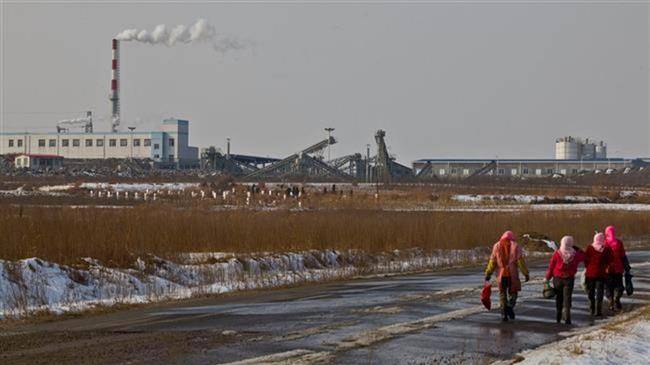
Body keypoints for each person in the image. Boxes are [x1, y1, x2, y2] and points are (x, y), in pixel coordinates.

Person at [485, 231, 530, 322]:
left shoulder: (496, 246)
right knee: (513, 293)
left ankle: (503, 313)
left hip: (501, 276)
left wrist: (488, 273)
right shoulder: (516, 246)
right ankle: (510, 306)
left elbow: (492, 262)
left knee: (502, 294)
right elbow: (520, 262)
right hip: (512, 275)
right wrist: (525, 273)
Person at [545, 236, 585, 324]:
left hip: (557, 279)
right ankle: (567, 316)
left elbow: (551, 266)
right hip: (569, 279)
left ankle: (558, 316)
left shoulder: (557, 254)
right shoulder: (575, 254)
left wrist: (547, 277)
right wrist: (578, 249)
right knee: (567, 298)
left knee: (559, 297)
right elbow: (583, 256)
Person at [604, 225, 631, 312]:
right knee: (619, 286)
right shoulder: (619, 243)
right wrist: (626, 266)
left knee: (608, 287)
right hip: (618, 268)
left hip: (607, 269)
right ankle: (617, 298)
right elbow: (623, 256)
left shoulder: (604, 243)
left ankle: (610, 300)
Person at [584, 232, 611, 317]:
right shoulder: (606, 249)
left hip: (590, 273)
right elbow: (610, 260)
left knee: (590, 291)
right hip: (601, 274)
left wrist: (588, 267)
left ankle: (592, 306)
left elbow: (585, 260)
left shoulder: (589, 248)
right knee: (600, 292)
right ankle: (598, 310)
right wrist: (605, 266)